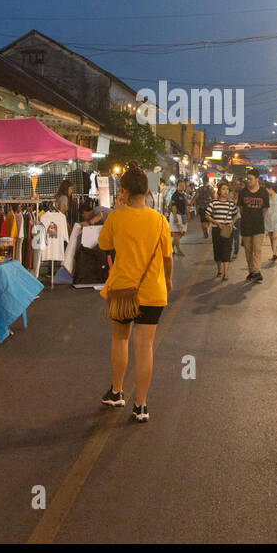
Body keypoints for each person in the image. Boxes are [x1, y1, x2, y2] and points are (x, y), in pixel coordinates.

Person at [98, 164, 172, 423]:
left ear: (123, 192)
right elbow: (167, 257)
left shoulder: (116, 218)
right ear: (148, 190)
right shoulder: (160, 221)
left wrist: (118, 211)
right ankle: (141, 405)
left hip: (121, 291)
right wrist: (169, 281)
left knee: (120, 340)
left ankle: (117, 391)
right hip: (152, 292)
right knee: (145, 347)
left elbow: (104, 245)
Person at [237, 170, 270, 282]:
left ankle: (256, 271)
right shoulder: (243, 193)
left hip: (258, 226)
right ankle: (252, 271)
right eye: (248, 178)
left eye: (250, 179)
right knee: (248, 250)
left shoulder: (263, 193)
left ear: (257, 179)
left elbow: (264, 209)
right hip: (246, 225)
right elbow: (241, 209)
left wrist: (257, 217)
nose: (248, 181)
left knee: (257, 249)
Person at [206, 182, 239, 280]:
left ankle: (226, 273)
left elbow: (236, 215)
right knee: (218, 250)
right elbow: (207, 215)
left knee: (227, 249)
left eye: (227, 189)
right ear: (219, 191)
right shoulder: (213, 203)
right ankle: (219, 270)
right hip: (217, 230)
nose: (226, 191)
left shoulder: (231, 203)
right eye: (223, 189)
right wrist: (216, 223)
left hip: (227, 229)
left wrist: (232, 223)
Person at [263, 181, 277, 261]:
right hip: (268, 219)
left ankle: (274, 254)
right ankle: (274, 253)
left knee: (275, 237)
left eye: (267, 190)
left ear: (271, 189)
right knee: (271, 238)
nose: (266, 191)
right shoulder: (266, 198)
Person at [167, 179, 188, 256]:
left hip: (183, 216)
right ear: (177, 186)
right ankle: (178, 250)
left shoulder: (183, 194)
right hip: (176, 215)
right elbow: (174, 207)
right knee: (177, 234)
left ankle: (171, 248)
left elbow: (185, 206)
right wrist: (175, 217)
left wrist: (187, 214)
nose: (182, 187)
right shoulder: (175, 195)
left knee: (182, 233)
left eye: (183, 185)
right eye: (180, 185)